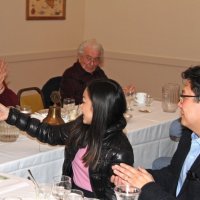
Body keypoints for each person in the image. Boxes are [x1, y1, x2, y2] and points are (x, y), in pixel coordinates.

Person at [0, 78, 134, 199]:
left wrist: (119, 185)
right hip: (72, 194)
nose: (80, 107)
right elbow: (49, 133)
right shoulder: (81, 126)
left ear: (98, 109)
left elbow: (117, 194)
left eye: (84, 102)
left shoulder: (120, 149)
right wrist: (10, 115)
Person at [111, 65, 200, 200]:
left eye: (184, 97)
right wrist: (135, 178)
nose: (179, 104)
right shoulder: (189, 135)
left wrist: (147, 187)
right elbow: (172, 175)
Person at [60, 39, 107, 105]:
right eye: (89, 58)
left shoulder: (99, 72)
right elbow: (70, 104)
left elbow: (108, 91)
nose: (92, 63)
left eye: (96, 59)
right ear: (80, 56)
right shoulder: (70, 75)